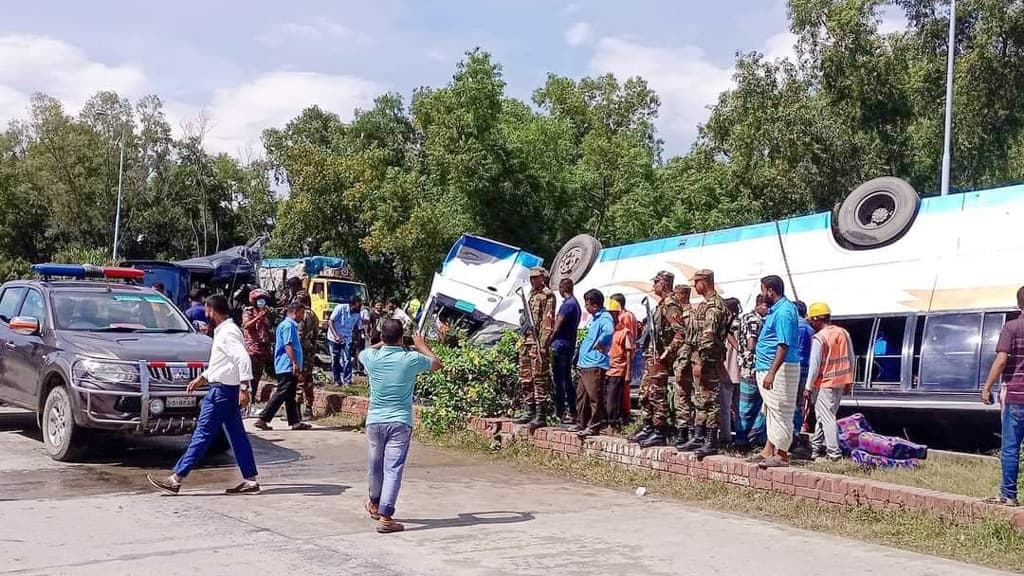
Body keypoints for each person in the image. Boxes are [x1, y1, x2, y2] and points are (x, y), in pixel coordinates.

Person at [146, 294, 259, 495]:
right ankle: (250, 480)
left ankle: (176, 478)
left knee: (202, 434)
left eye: (207, 310)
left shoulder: (228, 333)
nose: (206, 313)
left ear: (212, 310)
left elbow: (242, 359)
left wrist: (244, 387)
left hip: (221, 392)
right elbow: (222, 364)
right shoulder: (226, 331)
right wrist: (202, 378)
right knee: (237, 436)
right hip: (225, 389)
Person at [360, 320, 442, 533]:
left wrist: (384, 343)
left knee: (375, 465)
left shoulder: (372, 357)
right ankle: (386, 516)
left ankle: (375, 504)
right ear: (402, 337)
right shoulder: (411, 358)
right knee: (393, 468)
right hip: (400, 421)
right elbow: (436, 363)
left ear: (381, 337)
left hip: (375, 420)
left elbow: (365, 351)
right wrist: (420, 344)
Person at [677, 270, 730, 459]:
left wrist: (701, 360)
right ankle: (699, 435)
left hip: (708, 359)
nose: (694, 286)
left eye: (696, 282)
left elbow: (708, 336)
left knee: (710, 400)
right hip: (698, 357)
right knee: (699, 398)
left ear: (705, 282)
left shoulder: (714, 305)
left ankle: (710, 440)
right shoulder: (704, 305)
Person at [628, 271, 685, 448]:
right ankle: (648, 427)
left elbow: (680, 332)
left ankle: (659, 430)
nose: (654, 286)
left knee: (656, 394)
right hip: (652, 356)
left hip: (659, 358)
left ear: (665, 284)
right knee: (646, 394)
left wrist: (666, 353)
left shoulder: (670, 305)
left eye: (657, 282)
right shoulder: (660, 305)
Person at [981, 286, 1024, 507]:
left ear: (1019, 304)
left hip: (1016, 397)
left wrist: (986, 388)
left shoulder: (1012, 327)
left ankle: (1008, 495)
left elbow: (1001, 360)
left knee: (1011, 447)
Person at [754, 275, 801, 468]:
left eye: (763, 289)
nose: (762, 293)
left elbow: (783, 344)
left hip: (780, 369)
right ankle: (768, 451)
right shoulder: (776, 310)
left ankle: (781, 455)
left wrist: (772, 372)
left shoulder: (784, 312)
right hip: (767, 366)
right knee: (771, 410)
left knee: (781, 410)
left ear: (770, 291)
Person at [803, 302, 855, 462]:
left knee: (827, 417)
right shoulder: (843, 333)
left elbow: (814, 365)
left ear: (817, 319)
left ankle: (834, 454)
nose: (811, 323)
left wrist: (808, 387)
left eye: (812, 320)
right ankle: (815, 448)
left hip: (825, 382)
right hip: (841, 381)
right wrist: (849, 381)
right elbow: (851, 358)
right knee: (823, 416)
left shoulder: (820, 338)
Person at [254, 301, 312, 431]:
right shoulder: (288, 326)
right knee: (282, 392)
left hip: (286, 364)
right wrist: (294, 363)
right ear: (295, 312)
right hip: (287, 365)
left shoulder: (288, 325)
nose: (302, 317)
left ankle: (295, 421)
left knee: (289, 394)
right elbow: (288, 345)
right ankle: (263, 418)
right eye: (301, 313)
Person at [514, 267, 556, 430]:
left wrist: (544, 345)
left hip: (538, 343)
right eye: (531, 278)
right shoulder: (531, 295)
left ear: (542, 278)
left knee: (539, 378)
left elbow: (548, 322)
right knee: (525, 376)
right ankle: (529, 410)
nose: (533, 280)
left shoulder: (548, 296)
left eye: (536, 278)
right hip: (526, 341)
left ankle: (540, 415)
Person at [573, 289, 613, 437]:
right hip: (585, 364)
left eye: (587, 304)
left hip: (595, 363)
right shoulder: (596, 318)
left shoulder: (604, 317)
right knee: (581, 396)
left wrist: (600, 343)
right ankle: (581, 423)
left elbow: (609, 331)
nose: (586, 307)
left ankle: (595, 425)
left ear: (595, 306)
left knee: (594, 396)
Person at [734, 294, 768, 450]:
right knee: (755, 406)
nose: (768, 310)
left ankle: (743, 439)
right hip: (754, 367)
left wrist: (738, 350)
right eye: (767, 307)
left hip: (745, 366)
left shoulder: (744, 317)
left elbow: (729, 331)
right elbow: (751, 344)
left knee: (746, 406)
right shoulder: (755, 320)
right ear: (760, 304)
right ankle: (747, 439)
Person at [669, 283, 697, 450]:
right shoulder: (689, 312)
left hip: (685, 359)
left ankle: (684, 432)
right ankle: (683, 431)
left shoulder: (686, 314)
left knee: (683, 396)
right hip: (684, 359)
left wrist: (678, 362)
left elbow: (685, 338)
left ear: (681, 295)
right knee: (683, 397)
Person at [551, 278, 582, 424]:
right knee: (566, 379)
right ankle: (572, 411)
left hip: (560, 347)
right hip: (568, 346)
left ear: (562, 289)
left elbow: (557, 327)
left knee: (560, 381)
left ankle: (561, 412)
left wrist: (548, 341)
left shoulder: (567, 306)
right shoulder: (575, 304)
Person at [604, 298, 633, 429]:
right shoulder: (610, 332)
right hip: (608, 369)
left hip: (618, 371)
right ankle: (612, 425)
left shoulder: (624, 332)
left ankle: (615, 426)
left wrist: (628, 373)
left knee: (613, 402)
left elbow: (628, 352)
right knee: (607, 400)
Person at [792, 300, 816, 459]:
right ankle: (799, 432)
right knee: (801, 404)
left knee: (790, 403)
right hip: (807, 368)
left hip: (794, 367)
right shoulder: (811, 329)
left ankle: (792, 435)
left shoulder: (795, 327)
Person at [241, 288, 272, 404]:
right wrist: (258, 317)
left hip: (262, 349)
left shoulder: (266, 312)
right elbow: (246, 325)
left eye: (263, 299)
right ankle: (247, 400)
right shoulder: (249, 311)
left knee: (257, 376)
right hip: (251, 349)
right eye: (259, 299)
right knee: (250, 375)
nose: (261, 301)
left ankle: (253, 399)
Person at [611, 293, 638, 417]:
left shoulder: (625, 316)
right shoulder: (629, 314)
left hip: (624, 352)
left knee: (624, 386)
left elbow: (626, 334)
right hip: (623, 352)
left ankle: (624, 411)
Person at [721, 298, 742, 446]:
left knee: (725, 408)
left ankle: (725, 436)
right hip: (742, 371)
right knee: (740, 408)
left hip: (727, 371)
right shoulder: (743, 324)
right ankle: (742, 436)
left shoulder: (726, 327)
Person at [328, 296, 363, 386]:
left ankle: (347, 381)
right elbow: (330, 322)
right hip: (334, 337)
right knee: (335, 359)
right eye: (358, 305)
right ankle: (337, 380)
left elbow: (357, 328)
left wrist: (357, 339)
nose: (360, 308)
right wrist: (336, 336)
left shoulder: (357, 314)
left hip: (347, 338)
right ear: (352, 305)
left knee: (347, 359)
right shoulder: (340, 308)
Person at [295, 291, 320, 420]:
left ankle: (297, 410)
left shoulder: (302, 315)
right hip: (310, 349)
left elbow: (299, 334)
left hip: (302, 350)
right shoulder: (314, 315)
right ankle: (309, 408)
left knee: (300, 380)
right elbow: (316, 334)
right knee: (308, 380)